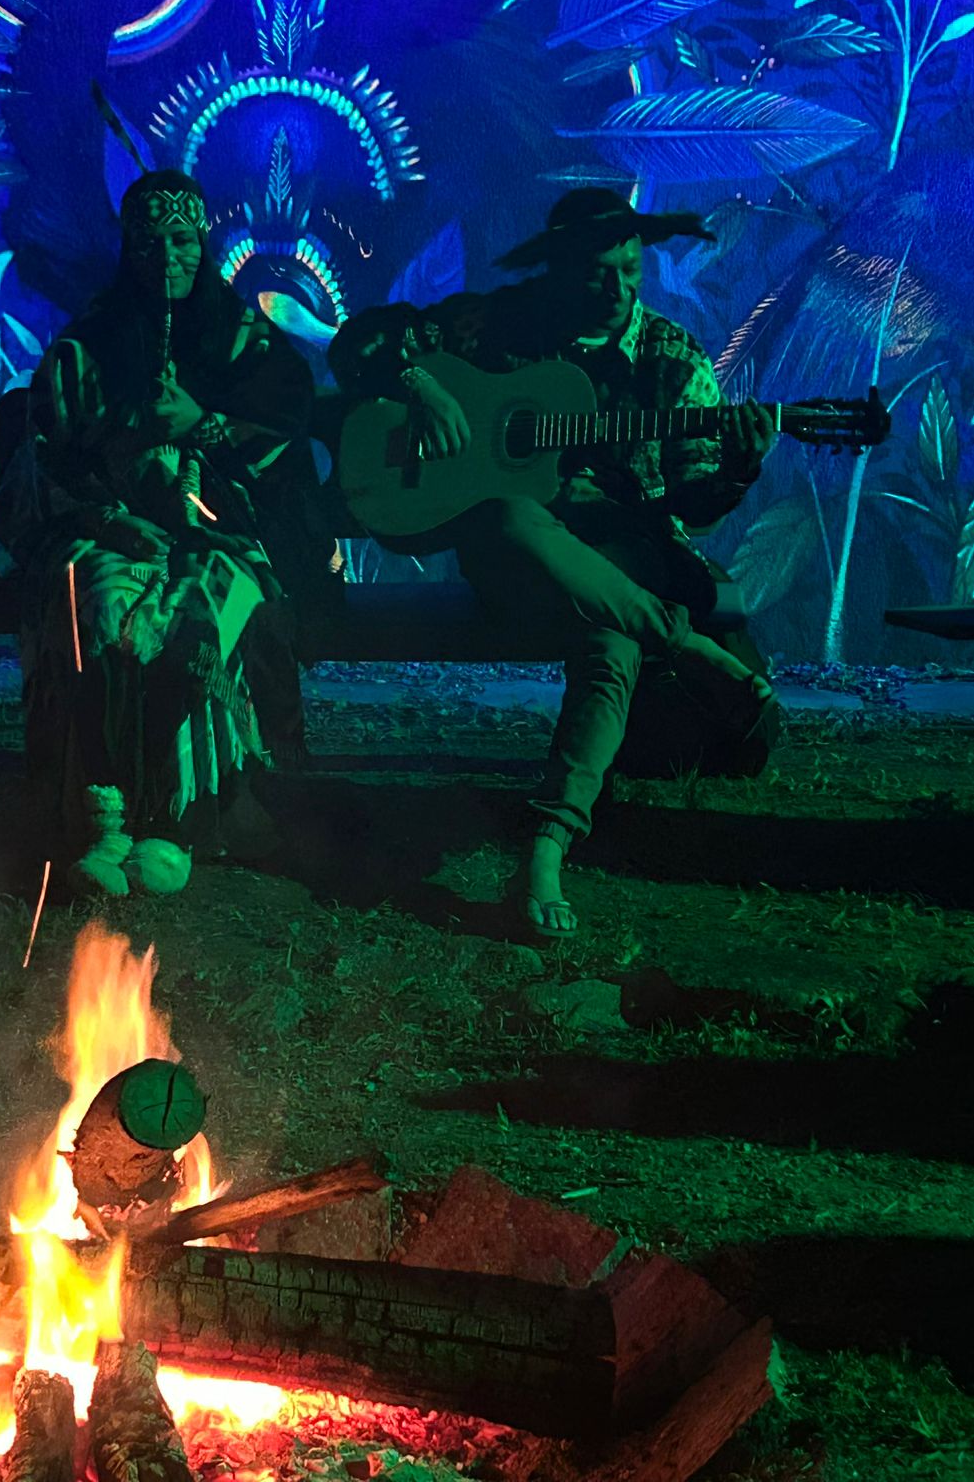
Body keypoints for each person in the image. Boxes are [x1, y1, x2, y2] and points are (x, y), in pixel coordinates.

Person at [328, 187, 778, 938]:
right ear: (558, 271)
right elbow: (359, 344)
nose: (618, 288)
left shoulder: (672, 358)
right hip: (518, 559)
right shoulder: (496, 324)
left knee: (611, 641)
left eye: (631, 269)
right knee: (510, 513)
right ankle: (686, 644)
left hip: (624, 557)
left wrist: (738, 466)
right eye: (598, 272)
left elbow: (696, 504)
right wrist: (422, 386)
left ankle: (546, 846)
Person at [0, 170, 328, 896]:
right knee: (98, 610)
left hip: (219, 539)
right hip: (105, 531)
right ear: (128, 249)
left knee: (198, 623)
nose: (167, 257)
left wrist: (201, 424)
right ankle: (104, 821)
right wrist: (111, 517)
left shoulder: (244, 341)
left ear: (201, 242)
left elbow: (286, 431)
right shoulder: (86, 346)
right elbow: (44, 457)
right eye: (149, 243)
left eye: (181, 240)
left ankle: (184, 820)